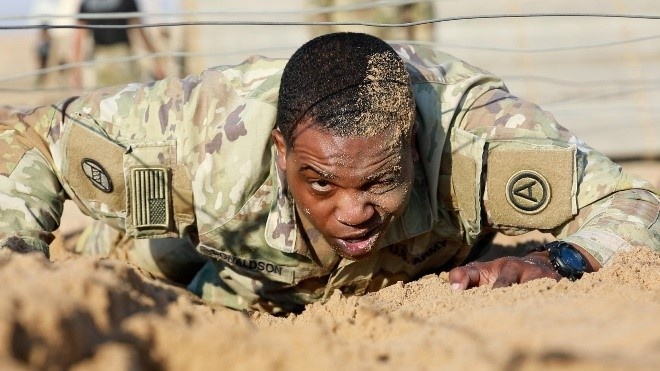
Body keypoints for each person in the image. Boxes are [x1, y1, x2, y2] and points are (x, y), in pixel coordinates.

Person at [0, 32, 658, 314]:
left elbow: (634, 200)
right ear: (282, 148)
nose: (352, 209)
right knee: (158, 255)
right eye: (322, 181)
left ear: (415, 142)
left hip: (405, 266)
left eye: (378, 181)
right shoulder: (198, 127)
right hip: (235, 255)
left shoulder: (473, 134)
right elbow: (27, 132)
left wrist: (563, 259)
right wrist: (17, 269)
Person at [72, 0, 165, 88]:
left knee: (105, 99)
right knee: (128, 96)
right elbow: (140, 33)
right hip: (113, 57)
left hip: (113, 58)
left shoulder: (87, 4)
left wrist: (76, 69)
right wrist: (156, 60)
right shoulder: (87, 4)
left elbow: (78, 39)